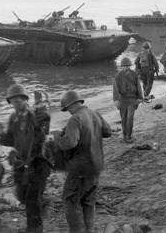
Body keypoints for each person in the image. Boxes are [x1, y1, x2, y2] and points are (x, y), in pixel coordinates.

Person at [54, 90, 112, 233]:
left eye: (68, 109)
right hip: (96, 167)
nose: (69, 112)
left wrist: (57, 138)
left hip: (80, 170)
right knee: (88, 202)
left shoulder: (75, 119)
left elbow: (70, 143)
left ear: (72, 105)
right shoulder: (94, 113)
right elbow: (108, 132)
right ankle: (89, 230)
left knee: (70, 201)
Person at [0, 84, 52, 233]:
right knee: (21, 195)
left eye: (18, 101)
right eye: (13, 102)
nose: (16, 104)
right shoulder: (13, 118)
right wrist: (1, 134)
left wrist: (39, 110)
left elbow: (44, 129)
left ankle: (34, 228)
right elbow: (9, 141)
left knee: (32, 199)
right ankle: (46, 202)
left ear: (25, 100)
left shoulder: (36, 114)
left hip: (38, 162)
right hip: (21, 163)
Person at [113, 57, 143, 143]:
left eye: (127, 66)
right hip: (122, 100)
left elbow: (138, 86)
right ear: (121, 66)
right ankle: (125, 135)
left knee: (130, 118)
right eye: (123, 66)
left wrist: (140, 98)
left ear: (129, 66)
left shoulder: (134, 74)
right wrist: (116, 100)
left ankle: (129, 136)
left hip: (132, 100)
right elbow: (115, 89)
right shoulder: (118, 76)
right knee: (124, 119)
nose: (125, 68)